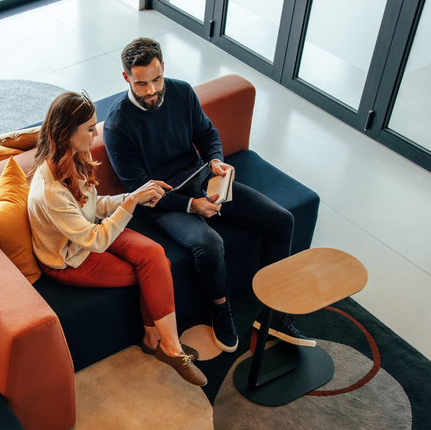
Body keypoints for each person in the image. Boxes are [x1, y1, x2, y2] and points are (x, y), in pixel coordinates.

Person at [102, 37, 314, 353]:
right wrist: (192, 206)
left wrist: (215, 159)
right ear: (126, 79)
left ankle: (275, 314)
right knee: (209, 244)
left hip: (201, 180)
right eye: (142, 84)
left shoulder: (181, 92)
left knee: (281, 220)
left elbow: (207, 133)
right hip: (161, 202)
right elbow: (141, 192)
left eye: (157, 80)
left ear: (163, 70)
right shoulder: (118, 126)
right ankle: (220, 308)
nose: (151, 91)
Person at [27, 90, 207, 386]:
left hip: (90, 231)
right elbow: (95, 241)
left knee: (155, 255)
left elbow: (94, 206)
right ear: (67, 132)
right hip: (68, 259)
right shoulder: (51, 191)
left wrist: (133, 196)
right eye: (89, 129)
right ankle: (170, 348)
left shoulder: (74, 156)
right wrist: (130, 204)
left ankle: (155, 340)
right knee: (148, 272)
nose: (95, 134)